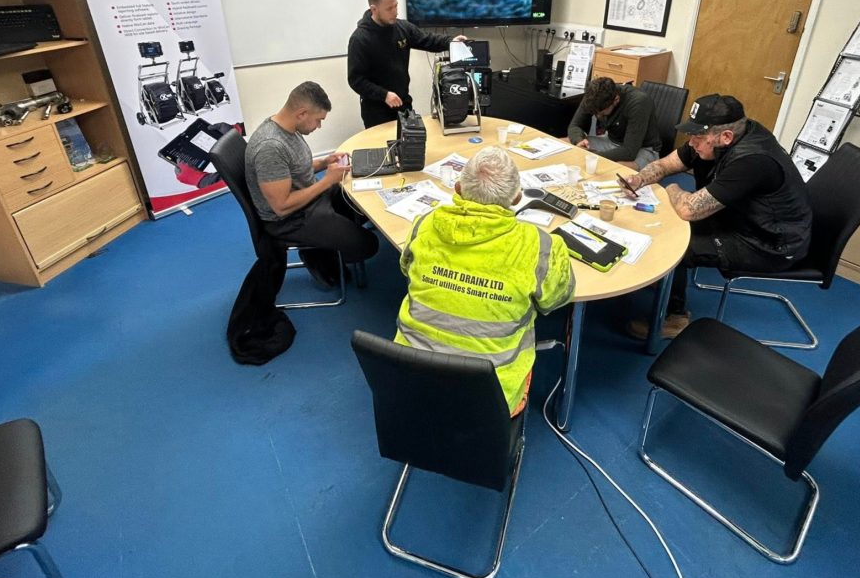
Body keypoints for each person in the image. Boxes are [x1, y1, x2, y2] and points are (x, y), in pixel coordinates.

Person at [395, 147, 575, 416]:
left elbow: (406, 270)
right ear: (516, 197)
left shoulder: (425, 224)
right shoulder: (542, 246)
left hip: (409, 377)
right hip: (492, 395)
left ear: (457, 188)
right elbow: (556, 300)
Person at [623, 94, 812, 340]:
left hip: (768, 242)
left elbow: (688, 209)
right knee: (662, 223)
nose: (691, 143)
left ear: (725, 137)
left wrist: (672, 189)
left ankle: (675, 318)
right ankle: (666, 284)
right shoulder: (716, 140)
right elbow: (667, 164)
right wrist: (639, 179)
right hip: (742, 218)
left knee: (675, 245)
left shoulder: (753, 161)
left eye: (698, 137)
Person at [245, 81, 379, 283]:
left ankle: (322, 249)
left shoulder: (286, 127)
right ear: (302, 114)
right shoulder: (270, 147)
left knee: (364, 202)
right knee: (368, 244)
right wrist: (326, 182)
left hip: (310, 200)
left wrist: (325, 162)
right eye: (318, 120)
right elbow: (281, 207)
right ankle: (319, 253)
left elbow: (296, 168)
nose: (319, 126)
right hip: (290, 220)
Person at [347, 0, 467, 128]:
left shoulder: (402, 28)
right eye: (389, 9)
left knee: (411, 147)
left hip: (403, 104)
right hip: (377, 111)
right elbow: (356, 80)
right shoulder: (360, 39)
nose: (395, 12)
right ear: (374, 9)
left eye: (396, 5)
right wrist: (384, 95)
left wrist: (451, 42)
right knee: (384, 149)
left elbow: (427, 39)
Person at [566, 77, 660, 168]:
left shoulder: (638, 102)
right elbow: (575, 126)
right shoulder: (592, 95)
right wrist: (578, 140)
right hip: (611, 141)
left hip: (643, 149)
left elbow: (629, 152)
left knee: (616, 168)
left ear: (616, 100)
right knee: (565, 143)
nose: (598, 116)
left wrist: (595, 155)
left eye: (602, 113)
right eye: (594, 113)